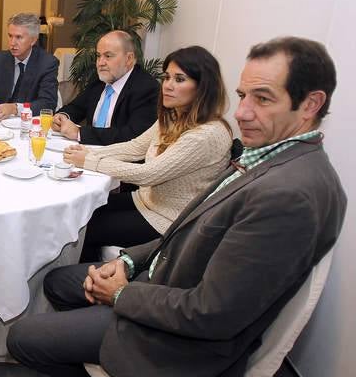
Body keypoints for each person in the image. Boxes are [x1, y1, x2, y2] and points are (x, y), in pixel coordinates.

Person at [7, 36, 347, 377]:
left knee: (23, 339)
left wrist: (120, 295)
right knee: (60, 281)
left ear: (310, 104)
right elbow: (190, 224)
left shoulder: (291, 195)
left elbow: (210, 315)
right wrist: (130, 260)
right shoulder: (270, 160)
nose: (244, 113)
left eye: (264, 99)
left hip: (173, 338)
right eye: (243, 96)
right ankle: (92, 350)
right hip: (164, 280)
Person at [63, 46, 233, 261]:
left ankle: (81, 282)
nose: (168, 86)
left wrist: (90, 161)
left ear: (203, 87)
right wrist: (89, 152)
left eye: (179, 79)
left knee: (87, 228)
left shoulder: (206, 134)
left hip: (169, 219)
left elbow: (149, 174)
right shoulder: (173, 116)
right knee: (84, 210)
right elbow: (135, 147)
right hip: (146, 200)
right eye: (167, 77)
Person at [53, 30, 158, 146]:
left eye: (108, 56)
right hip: (86, 152)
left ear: (128, 59)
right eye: (98, 56)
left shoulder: (147, 88)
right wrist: (62, 117)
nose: (100, 63)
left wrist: (80, 133)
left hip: (118, 160)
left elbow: (133, 136)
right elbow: (76, 107)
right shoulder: (101, 81)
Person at [0, 12, 59, 118]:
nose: (12, 43)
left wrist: (15, 108)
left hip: (30, 123)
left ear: (33, 40)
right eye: (10, 36)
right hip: (1, 122)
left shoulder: (47, 63)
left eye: (19, 37)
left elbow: (48, 104)